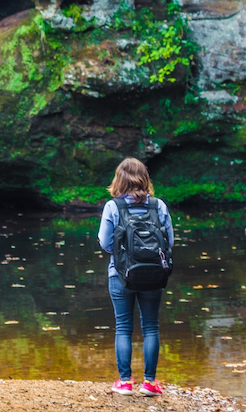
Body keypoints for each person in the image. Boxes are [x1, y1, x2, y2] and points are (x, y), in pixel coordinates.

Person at [97, 157, 174, 397]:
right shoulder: (158, 206)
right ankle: (149, 383)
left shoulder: (113, 207)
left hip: (120, 275)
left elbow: (105, 243)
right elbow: (169, 242)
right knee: (151, 326)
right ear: (145, 179)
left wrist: (124, 254)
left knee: (123, 327)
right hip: (153, 274)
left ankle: (125, 382)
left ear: (119, 180)